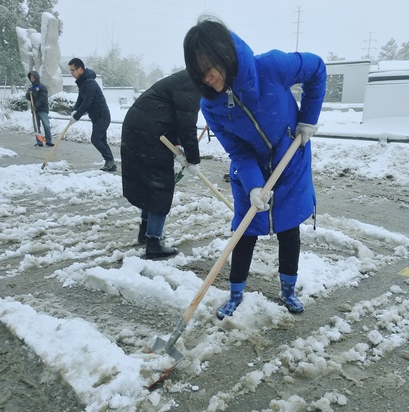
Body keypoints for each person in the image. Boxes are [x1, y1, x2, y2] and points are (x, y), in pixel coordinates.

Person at [183, 17, 327, 318]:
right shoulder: (211, 106)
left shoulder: (271, 67)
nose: (207, 81)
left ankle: (288, 290)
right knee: (244, 232)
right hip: (250, 171)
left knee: (289, 229)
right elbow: (238, 149)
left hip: (291, 161)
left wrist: (308, 119)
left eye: (209, 71)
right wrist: (253, 186)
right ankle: (235, 293)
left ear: (224, 55)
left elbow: (317, 68)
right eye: (200, 76)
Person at [121, 70, 201, 259]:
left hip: (141, 130)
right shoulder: (193, 84)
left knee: (150, 184)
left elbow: (174, 116)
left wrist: (179, 146)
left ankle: (145, 231)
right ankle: (154, 243)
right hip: (149, 134)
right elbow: (187, 124)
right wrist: (194, 159)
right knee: (160, 185)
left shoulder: (186, 79)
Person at [68, 58, 117, 172]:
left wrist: (76, 116)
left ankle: (110, 160)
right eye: (70, 71)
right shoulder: (83, 82)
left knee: (96, 139)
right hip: (96, 116)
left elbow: (87, 102)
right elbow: (80, 99)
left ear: (80, 69)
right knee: (102, 140)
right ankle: (110, 163)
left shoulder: (89, 82)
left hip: (102, 116)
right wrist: (74, 111)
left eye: (72, 70)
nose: (71, 73)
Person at [25, 71, 54, 147]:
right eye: (31, 77)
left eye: (33, 77)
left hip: (42, 109)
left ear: (36, 77)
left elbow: (42, 98)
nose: (32, 79)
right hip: (35, 110)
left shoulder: (42, 87)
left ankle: (48, 141)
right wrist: (29, 93)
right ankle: (39, 141)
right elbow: (28, 97)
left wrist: (36, 106)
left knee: (46, 125)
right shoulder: (31, 88)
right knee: (36, 126)